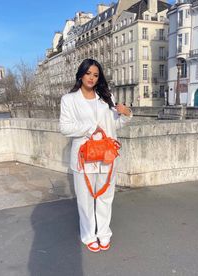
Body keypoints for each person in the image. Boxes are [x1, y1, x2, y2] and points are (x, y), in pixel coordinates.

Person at [59, 59, 132, 253]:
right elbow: (64, 128)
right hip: (84, 157)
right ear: (80, 74)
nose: (91, 77)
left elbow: (114, 124)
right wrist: (91, 128)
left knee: (105, 197)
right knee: (85, 199)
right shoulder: (69, 99)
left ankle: (104, 233)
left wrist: (125, 114)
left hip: (106, 155)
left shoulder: (106, 97)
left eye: (95, 75)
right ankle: (89, 235)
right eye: (88, 73)